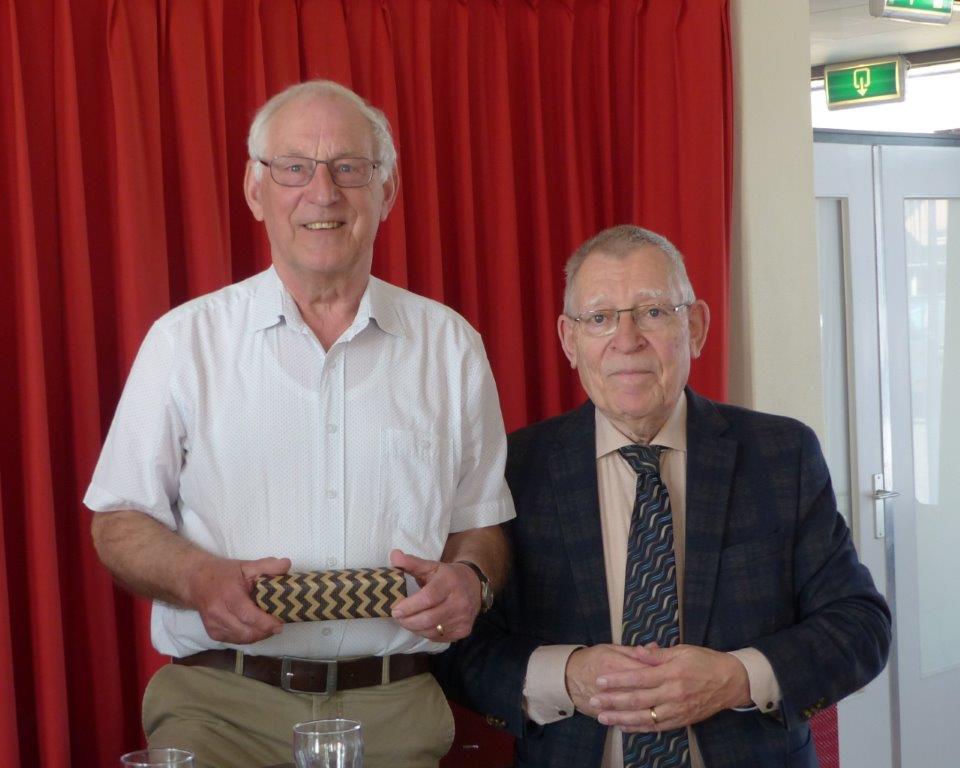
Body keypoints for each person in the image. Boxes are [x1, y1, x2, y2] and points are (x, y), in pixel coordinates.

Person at [85, 79, 515, 768]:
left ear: (386, 191)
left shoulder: (450, 346)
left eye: (349, 168)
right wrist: (197, 578)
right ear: (255, 190)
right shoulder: (184, 341)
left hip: (394, 711)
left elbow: (481, 524)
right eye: (294, 167)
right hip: (219, 709)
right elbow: (118, 519)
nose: (323, 192)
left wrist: (471, 579)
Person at [436, 224, 891, 768]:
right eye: (599, 318)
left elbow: (860, 626)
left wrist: (737, 678)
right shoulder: (515, 468)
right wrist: (565, 676)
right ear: (569, 341)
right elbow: (460, 643)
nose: (626, 340)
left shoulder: (781, 455)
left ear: (694, 326)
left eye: (653, 312)